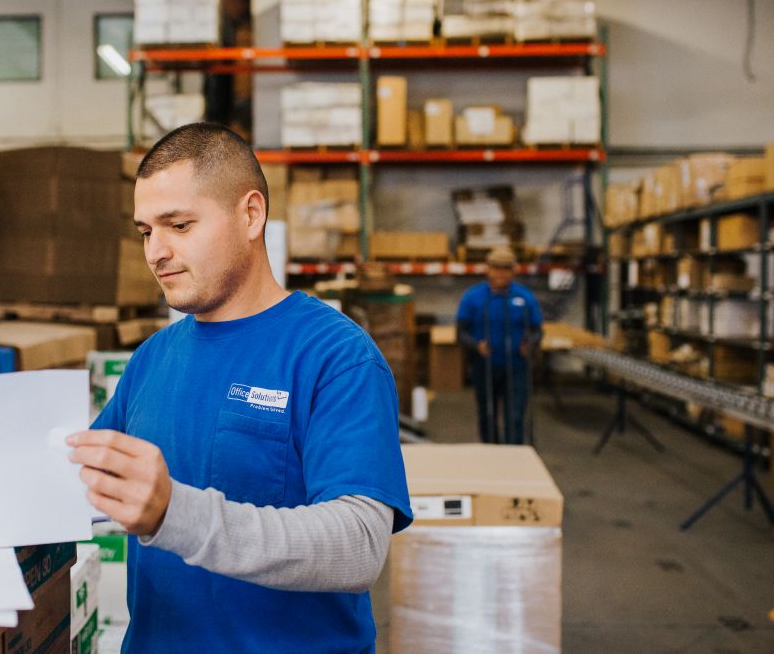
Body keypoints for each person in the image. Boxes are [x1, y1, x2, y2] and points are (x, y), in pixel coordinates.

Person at [66, 122, 413, 653]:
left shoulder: (336, 357)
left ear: (251, 215)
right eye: (145, 231)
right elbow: (85, 484)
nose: (155, 252)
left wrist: (174, 514)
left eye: (178, 225)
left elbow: (359, 545)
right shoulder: (152, 359)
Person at [456, 246, 543, 445]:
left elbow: (537, 330)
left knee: (515, 416)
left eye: (505, 269)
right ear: (487, 269)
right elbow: (460, 333)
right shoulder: (473, 298)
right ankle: (491, 454)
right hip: (485, 367)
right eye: (496, 268)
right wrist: (476, 346)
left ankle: (516, 456)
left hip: (517, 367)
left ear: (514, 270)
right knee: (487, 414)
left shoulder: (525, 297)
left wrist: (530, 344)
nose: (500, 274)